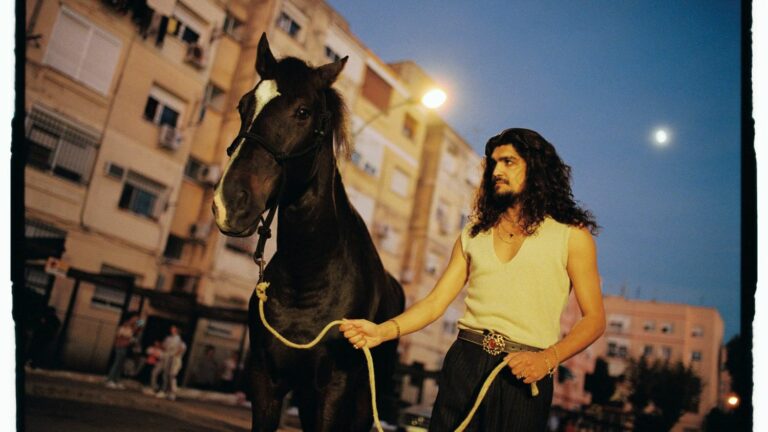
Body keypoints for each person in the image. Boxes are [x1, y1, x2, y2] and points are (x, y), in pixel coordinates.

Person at [340, 128, 606, 431]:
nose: (497, 171)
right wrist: (381, 332)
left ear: (536, 168)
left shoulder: (572, 236)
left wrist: (547, 359)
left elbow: (594, 319)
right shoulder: (473, 234)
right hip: (465, 361)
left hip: (526, 371)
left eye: (508, 162)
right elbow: (435, 302)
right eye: (493, 163)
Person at [106, 314, 142, 389]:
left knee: (120, 365)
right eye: (135, 319)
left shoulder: (132, 328)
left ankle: (116, 380)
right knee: (117, 363)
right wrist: (129, 339)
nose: (136, 321)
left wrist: (140, 321)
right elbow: (121, 336)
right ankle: (110, 380)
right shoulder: (125, 327)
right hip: (120, 347)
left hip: (125, 347)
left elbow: (140, 326)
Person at [156, 325, 186, 400]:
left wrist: (172, 354)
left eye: (174, 329)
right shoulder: (170, 339)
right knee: (167, 375)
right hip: (170, 359)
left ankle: (171, 393)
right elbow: (165, 347)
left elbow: (179, 351)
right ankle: (166, 391)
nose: (172, 330)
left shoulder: (180, 342)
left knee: (172, 377)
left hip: (175, 361)